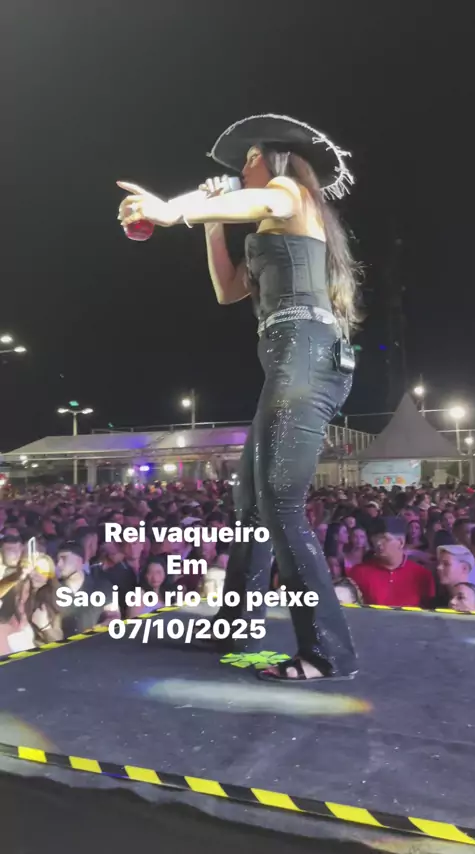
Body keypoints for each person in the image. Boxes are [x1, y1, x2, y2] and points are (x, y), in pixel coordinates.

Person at [118, 113, 359, 682]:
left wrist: (172, 211)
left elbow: (260, 200)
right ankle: (237, 625)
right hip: (289, 357)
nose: (243, 168)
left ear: (275, 159)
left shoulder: (289, 191)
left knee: (279, 501)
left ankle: (328, 653)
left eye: (250, 157)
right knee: (251, 503)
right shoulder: (270, 232)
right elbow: (227, 290)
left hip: (306, 353)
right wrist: (207, 223)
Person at [347, 517, 435, 608]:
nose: (378, 543)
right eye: (375, 538)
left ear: (401, 542)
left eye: (385, 539)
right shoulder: (359, 572)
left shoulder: (421, 575)